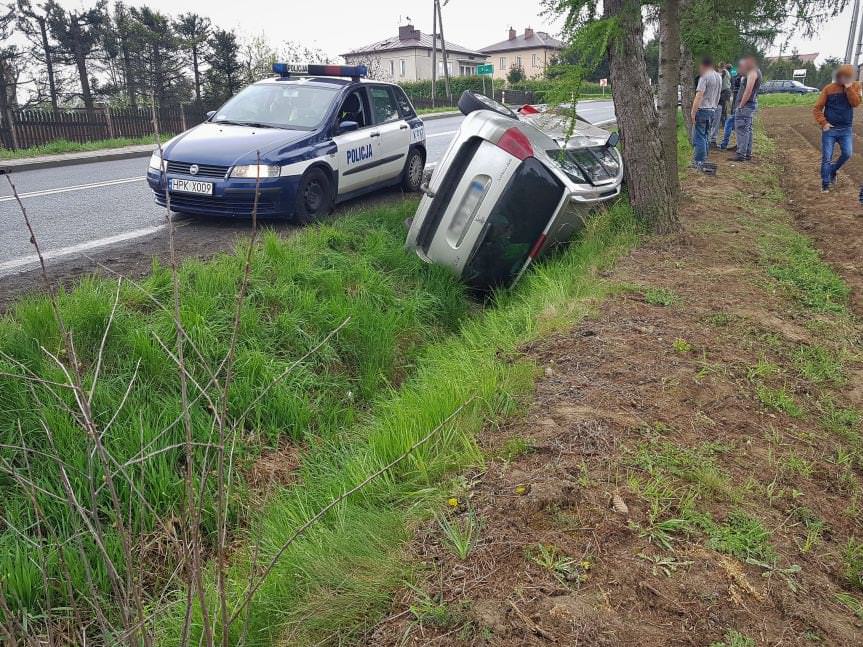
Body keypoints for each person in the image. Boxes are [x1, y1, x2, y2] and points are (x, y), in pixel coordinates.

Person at [813, 63, 862, 192]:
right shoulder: (829, 89)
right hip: (830, 130)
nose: (843, 79)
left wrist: (848, 89)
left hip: (846, 129)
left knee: (847, 153)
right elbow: (817, 108)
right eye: (841, 76)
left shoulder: (856, 86)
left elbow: (855, 103)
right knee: (826, 158)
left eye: (847, 77)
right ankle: (825, 184)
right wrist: (824, 123)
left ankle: (833, 171)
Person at [691, 56, 722, 170]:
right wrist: (713, 106)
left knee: (699, 137)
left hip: (703, 110)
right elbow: (718, 95)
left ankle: (699, 162)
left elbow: (699, 96)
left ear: (703, 65)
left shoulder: (704, 77)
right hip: (712, 109)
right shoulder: (718, 77)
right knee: (706, 136)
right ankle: (704, 159)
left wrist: (693, 113)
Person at [729, 55, 762, 162]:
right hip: (749, 105)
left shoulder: (753, 73)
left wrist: (740, 105)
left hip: (746, 106)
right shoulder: (754, 72)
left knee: (742, 130)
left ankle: (741, 154)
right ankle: (747, 153)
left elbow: (748, 90)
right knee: (747, 130)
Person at [720, 63, 743, 150]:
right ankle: (740, 145)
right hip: (737, 104)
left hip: (738, 105)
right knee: (739, 126)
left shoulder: (740, 78)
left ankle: (724, 144)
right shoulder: (734, 76)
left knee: (729, 123)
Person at [711, 63, 732, 146]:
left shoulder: (723, 72)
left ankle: (723, 122)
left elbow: (719, 77)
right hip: (726, 93)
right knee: (723, 110)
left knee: (723, 110)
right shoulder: (728, 73)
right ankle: (723, 121)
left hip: (724, 93)